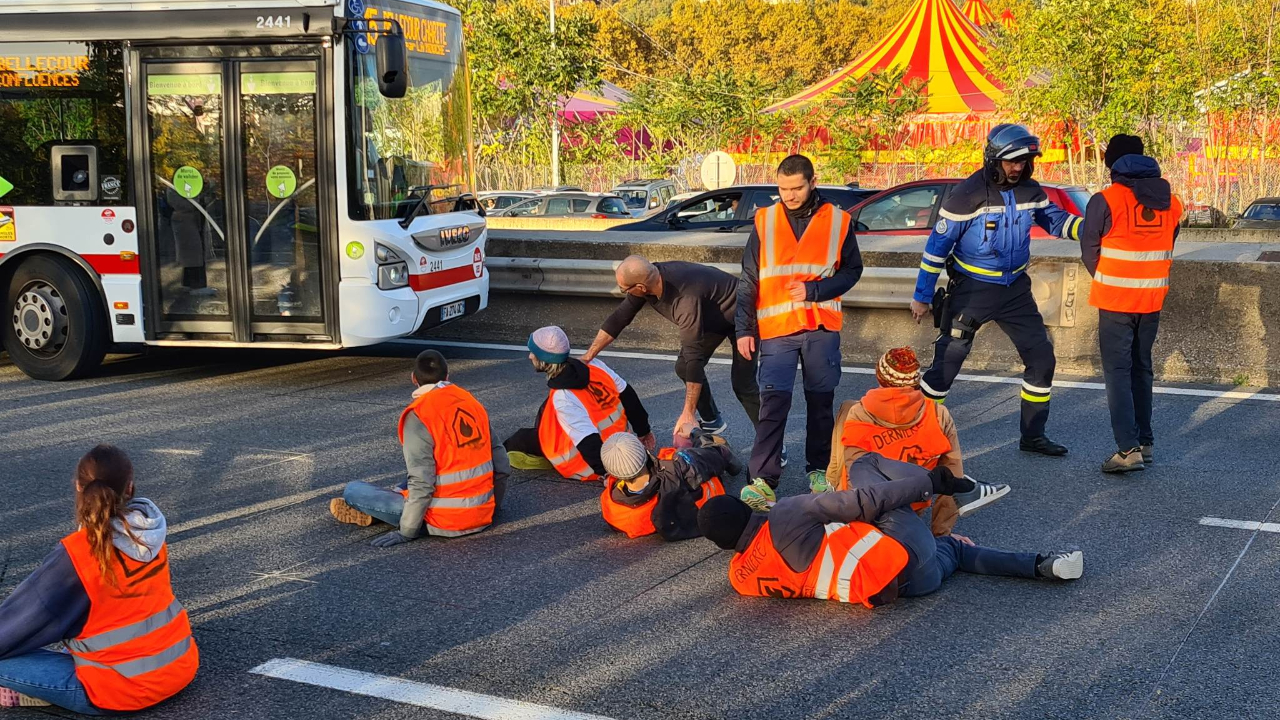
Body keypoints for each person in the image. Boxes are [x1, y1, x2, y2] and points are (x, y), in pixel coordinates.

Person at [697, 453, 1083, 608]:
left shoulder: (740, 578)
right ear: (744, 508)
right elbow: (863, 502)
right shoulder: (786, 513)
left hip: (907, 586)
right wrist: (931, 483)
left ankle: (1044, 566)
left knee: (956, 551)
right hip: (900, 553)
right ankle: (958, 490)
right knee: (866, 467)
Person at [910, 124, 1084, 457]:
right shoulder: (966, 195)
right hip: (972, 291)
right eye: (1011, 161)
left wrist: (1093, 226)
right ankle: (923, 435)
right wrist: (922, 296)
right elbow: (936, 250)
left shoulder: (1031, 191)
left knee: (1042, 358)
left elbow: (1058, 222)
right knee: (947, 363)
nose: (1018, 168)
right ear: (994, 159)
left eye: (1023, 161)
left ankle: (1032, 436)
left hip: (1015, 290)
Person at [0, 445, 199, 714]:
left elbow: (20, 622)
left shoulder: (78, 555)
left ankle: (39, 689)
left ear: (78, 487)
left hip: (117, 692)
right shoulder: (151, 535)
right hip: (179, 668)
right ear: (130, 488)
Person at [736, 154, 863, 510]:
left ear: (812, 182)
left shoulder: (838, 221)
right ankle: (763, 480)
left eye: (796, 188)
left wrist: (815, 291)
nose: (789, 195)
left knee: (820, 404)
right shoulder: (765, 220)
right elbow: (749, 279)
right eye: (783, 188)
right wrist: (744, 329)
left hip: (821, 327)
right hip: (776, 328)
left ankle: (819, 471)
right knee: (773, 403)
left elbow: (853, 271)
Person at [330, 350, 510, 546]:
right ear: (447, 376)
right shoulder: (471, 403)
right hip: (483, 513)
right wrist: (493, 508)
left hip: (445, 520)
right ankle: (387, 506)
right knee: (410, 479)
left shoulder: (420, 415)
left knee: (354, 490)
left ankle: (383, 512)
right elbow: (501, 463)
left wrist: (407, 532)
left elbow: (422, 481)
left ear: (413, 378)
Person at [1079, 134, 1182, 473]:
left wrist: (1109, 276)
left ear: (1112, 166)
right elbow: (1168, 243)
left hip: (1115, 299)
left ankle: (1127, 450)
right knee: (1142, 367)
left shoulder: (1104, 200)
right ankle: (1146, 442)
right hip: (1152, 297)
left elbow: (1089, 249)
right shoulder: (1173, 202)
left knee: (1118, 373)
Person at [582, 255, 760, 438]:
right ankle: (712, 420)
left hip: (743, 316)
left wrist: (688, 413)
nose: (624, 292)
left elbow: (694, 357)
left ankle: (772, 444)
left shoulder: (684, 301)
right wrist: (589, 355)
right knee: (682, 367)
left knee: (743, 384)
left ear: (640, 288)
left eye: (623, 289)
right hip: (710, 315)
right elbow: (620, 318)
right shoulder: (649, 279)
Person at [819, 347, 966, 537]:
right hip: (912, 509)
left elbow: (854, 471)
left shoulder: (858, 413)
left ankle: (829, 486)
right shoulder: (938, 415)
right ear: (916, 381)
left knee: (847, 408)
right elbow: (954, 475)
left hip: (864, 511)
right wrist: (942, 534)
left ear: (880, 376)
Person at [504, 326, 654, 482]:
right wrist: (644, 431)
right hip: (620, 443)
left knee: (518, 440)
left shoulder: (563, 397)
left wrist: (607, 473)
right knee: (547, 406)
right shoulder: (596, 366)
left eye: (533, 352)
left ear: (544, 359)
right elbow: (628, 396)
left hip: (585, 462)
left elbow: (587, 441)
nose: (529, 356)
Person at [599, 431, 743, 541]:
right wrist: (693, 432)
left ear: (612, 472)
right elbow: (712, 459)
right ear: (643, 452)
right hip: (706, 496)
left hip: (675, 520)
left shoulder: (613, 508)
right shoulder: (678, 468)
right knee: (697, 448)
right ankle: (705, 438)